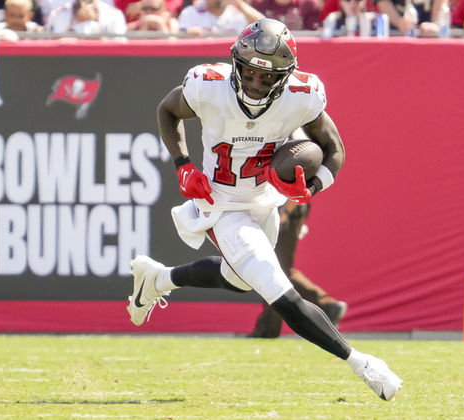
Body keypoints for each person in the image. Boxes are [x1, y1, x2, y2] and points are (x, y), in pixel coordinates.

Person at [127, 18, 403, 401]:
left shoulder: (302, 95)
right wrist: (183, 164)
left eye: (267, 77)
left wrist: (312, 188)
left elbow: (334, 150)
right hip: (221, 205)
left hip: (263, 201)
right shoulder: (207, 85)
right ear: (235, 63)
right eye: (250, 72)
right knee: (280, 293)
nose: (256, 83)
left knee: (240, 279)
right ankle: (362, 363)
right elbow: (167, 109)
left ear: (285, 76)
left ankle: (158, 278)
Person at [249, 200, 348, 338]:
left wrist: (285, 210)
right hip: (282, 208)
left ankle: (269, 328)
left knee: (275, 270)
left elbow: (299, 181)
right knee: (278, 270)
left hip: (284, 209)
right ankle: (326, 306)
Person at [177, 0, 264, 36]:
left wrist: (240, 5)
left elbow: (264, 25)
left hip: (229, 59)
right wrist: (187, 33)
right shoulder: (191, 12)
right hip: (199, 60)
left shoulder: (237, 12)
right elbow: (176, 37)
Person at [46, 0, 127, 34]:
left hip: (103, 67)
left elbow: (120, 53)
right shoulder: (57, 14)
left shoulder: (114, 14)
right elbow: (48, 50)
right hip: (67, 67)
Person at [374, 0, 444, 36]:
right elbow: (382, 2)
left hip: (428, 35)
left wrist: (434, 22)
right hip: (395, 34)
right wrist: (399, 22)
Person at [250, 0, 322, 30]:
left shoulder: (308, 4)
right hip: (266, 49)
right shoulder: (259, 3)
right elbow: (254, 30)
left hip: (300, 51)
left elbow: (313, 35)